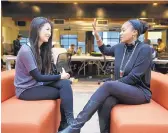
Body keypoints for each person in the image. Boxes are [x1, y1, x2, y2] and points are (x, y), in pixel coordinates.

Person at [58, 18, 152, 133]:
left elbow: (134, 78)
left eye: (123, 30)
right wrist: (97, 36)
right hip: (122, 89)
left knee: (107, 86)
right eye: (120, 30)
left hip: (140, 91)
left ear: (134, 32)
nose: (120, 33)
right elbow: (104, 50)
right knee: (105, 103)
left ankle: (74, 127)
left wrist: (112, 85)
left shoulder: (144, 49)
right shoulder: (120, 47)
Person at [14, 17, 74, 131]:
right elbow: (38, 76)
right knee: (63, 90)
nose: (49, 33)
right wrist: (60, 76)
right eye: (46, 29)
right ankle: (68, 124)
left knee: (65, 85)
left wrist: (58, 72)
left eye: (50, 30)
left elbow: (43, 74)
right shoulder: (26, 50)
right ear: (37, 29)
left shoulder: (41, 49)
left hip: (37, 84)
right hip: (25, 90)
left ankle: (67, 123)